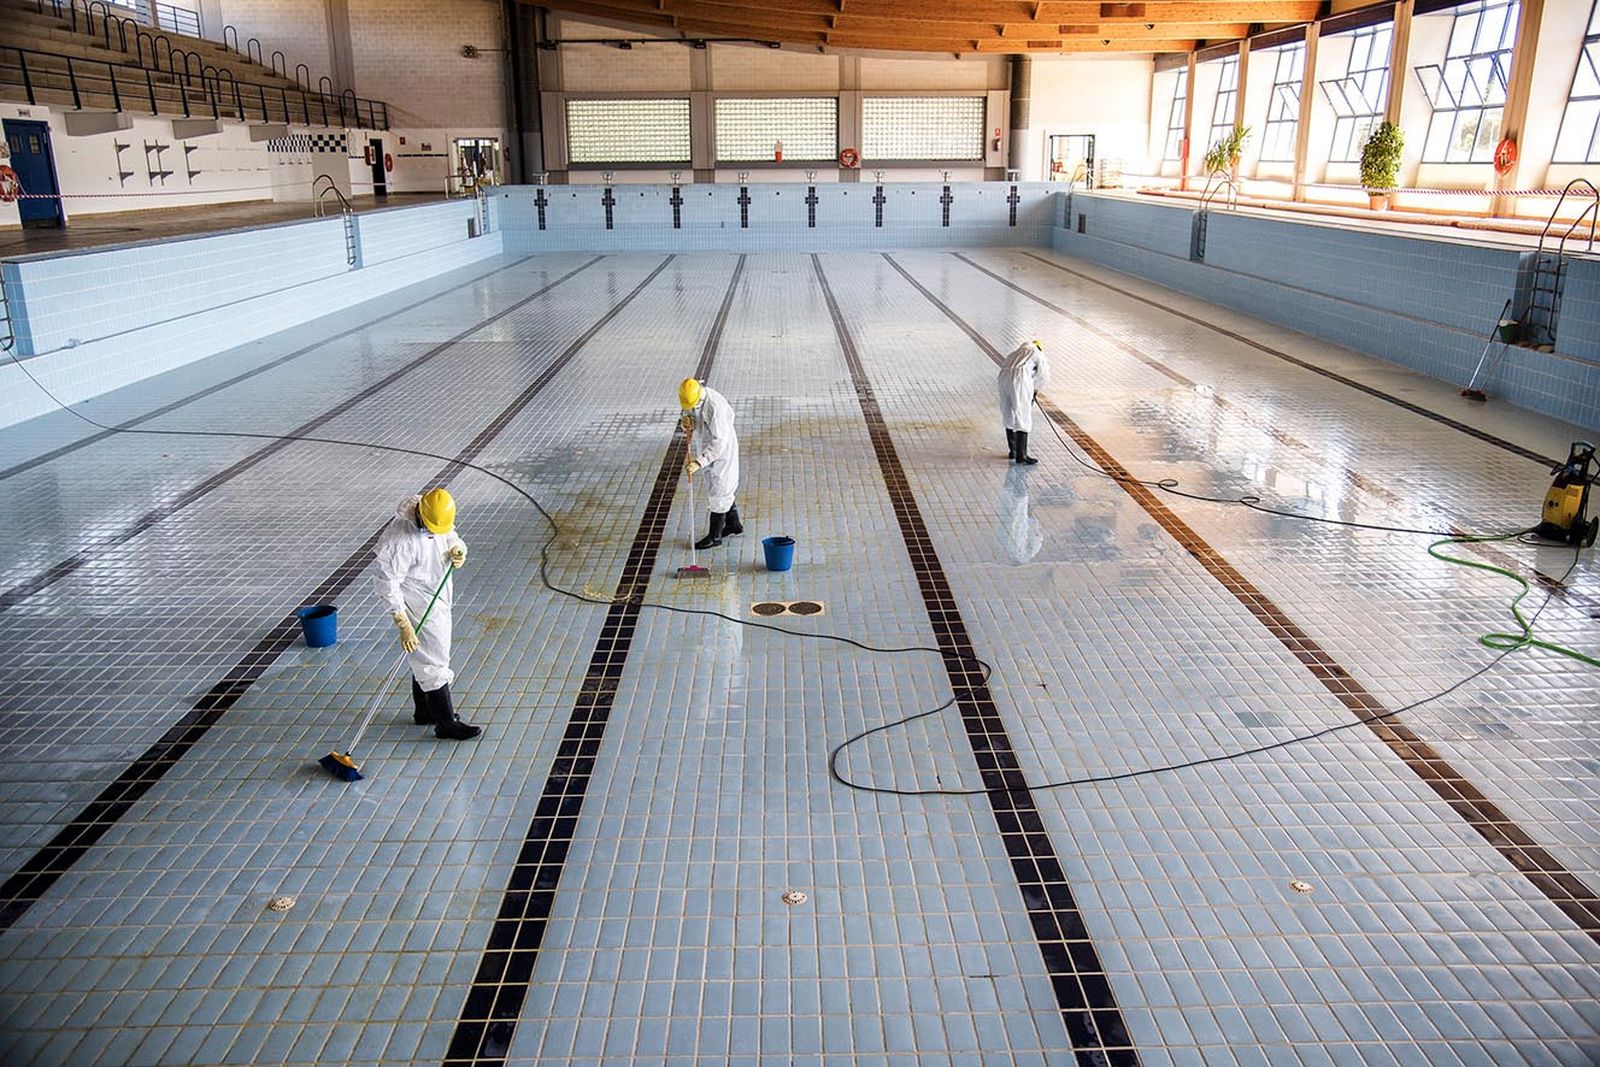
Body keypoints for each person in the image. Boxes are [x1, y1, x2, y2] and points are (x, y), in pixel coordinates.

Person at [373, 487, 480, 741]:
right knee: (434, 661)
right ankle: (445, 724)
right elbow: (386, 582)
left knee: (423, 657)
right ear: (421, 514)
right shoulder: (398, 541)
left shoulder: (437, 518)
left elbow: (450, 535)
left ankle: (424, 711)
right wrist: (402, 621)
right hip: (418, 604)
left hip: (438, 597)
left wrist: (458, 550)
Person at [678, 377, 742, 549]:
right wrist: (687, 423)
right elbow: (690, 413)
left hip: (721, 452)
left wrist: (699, 462)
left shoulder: (715, 407)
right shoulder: (695, 398)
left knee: (720, 488)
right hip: (707, 448)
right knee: (719, 488)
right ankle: (733, 525)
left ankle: (715, 536)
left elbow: (720, 441)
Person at [997, 338, 1050, 465]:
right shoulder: (1037, 353)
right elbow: (1044, 375)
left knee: (1007, 412)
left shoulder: (1015, 354)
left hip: (1003, 378)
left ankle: (1013, 450)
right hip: (1019, 379)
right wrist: (1034, 390)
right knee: (1023, 412)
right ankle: (1022, 455)